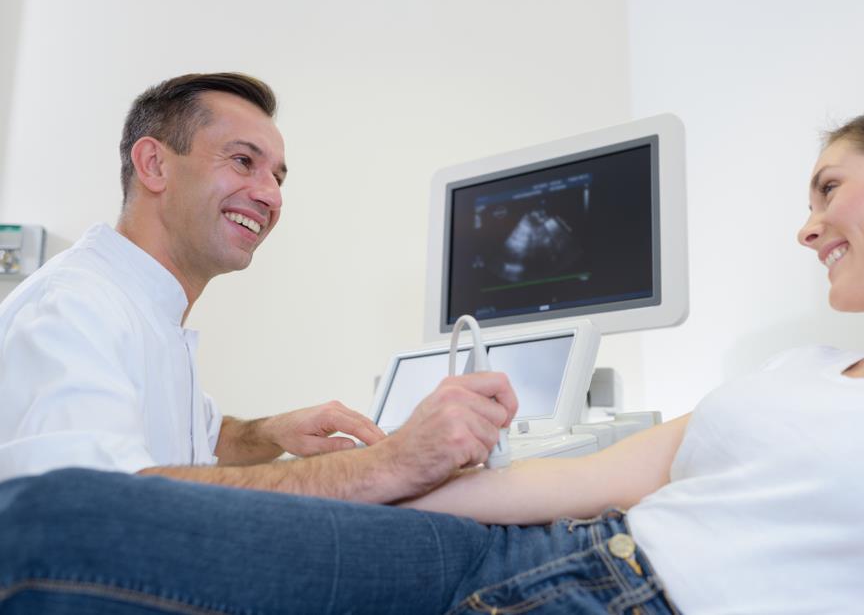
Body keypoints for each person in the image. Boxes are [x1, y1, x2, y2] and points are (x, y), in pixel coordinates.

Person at [1, 94, 864, 614]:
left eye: (828, 188)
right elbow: (579, 479)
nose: (807, 223)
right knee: (62, 515)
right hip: (520, 552)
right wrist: (369, 478)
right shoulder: (805, 369)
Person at [0, 73, 517, 503]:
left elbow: (196, 440)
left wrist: (270, 433)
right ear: (154, 164)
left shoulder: (145, 311)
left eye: (278, 177)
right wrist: (387, 465)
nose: (270, 195)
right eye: (243, 161)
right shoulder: (73, 307)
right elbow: (96, 498)